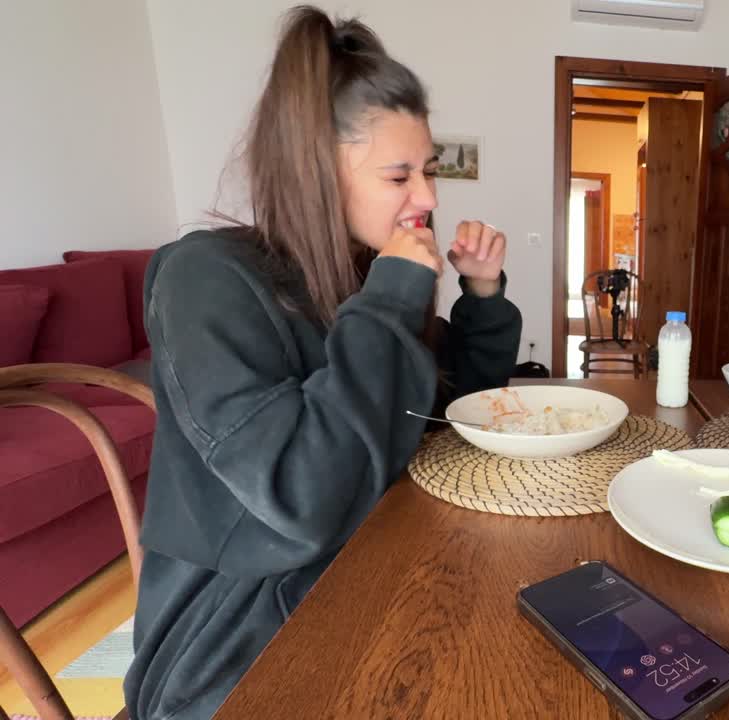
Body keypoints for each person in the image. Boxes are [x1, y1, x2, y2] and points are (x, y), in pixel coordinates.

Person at [124, 7, 522, 718]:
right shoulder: (204, 279)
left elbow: (455, 405)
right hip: (238, 634)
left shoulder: (359, 274)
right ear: (315, 171)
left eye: (427, 171)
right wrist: (393, 299)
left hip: (374, 564)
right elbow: (304, 500)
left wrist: (482, 294)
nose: (427, 198)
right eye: (399, 176)